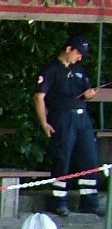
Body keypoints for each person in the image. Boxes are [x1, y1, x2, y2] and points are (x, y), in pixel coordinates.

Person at [32, 33, 104, 217]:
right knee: (62, 158)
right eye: (78, 53)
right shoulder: (51, 70)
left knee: (90, 157)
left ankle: (90, 202)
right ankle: (59, 201)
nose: (80, 58)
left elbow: (83, 92)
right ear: (69, 48)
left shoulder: (79, 70)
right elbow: (39, 96)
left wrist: (88, 95)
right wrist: (44, 123)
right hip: (62, 118)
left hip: (82, 119)